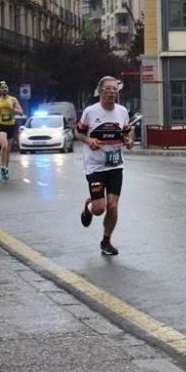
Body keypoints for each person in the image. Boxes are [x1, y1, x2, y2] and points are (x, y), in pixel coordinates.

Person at [75, 76, 133, 256]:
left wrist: (128, 140)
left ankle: (106, 241)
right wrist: (89, 140)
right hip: (95, 166)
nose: (112, 92)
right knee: (100, 209)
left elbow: (126, 132)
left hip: (115, 165)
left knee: (113, 206)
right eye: (108, 89)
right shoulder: (91, 112)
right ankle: (90, 207)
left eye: (115, 89)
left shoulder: (122, 111)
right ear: (100, 91)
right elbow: (78, 132)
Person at [0, 81, 23, 181]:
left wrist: (12, 109)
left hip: (11, 125)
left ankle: (6, 168)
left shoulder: (13, 100)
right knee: (4, 145)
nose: (4, 89)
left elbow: (21, 112)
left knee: (8, 149)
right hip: (0, 125)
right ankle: (2, 167)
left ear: (8, 89)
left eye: (5, 87)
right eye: (2, 88)